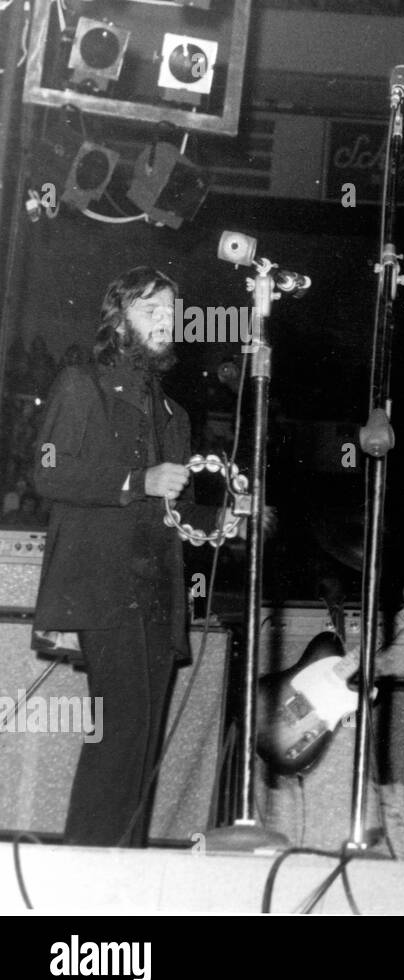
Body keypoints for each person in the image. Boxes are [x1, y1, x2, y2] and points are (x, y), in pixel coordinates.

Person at [32, 266, 207, 848]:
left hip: (157, 590)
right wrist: (138, 478)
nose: (166, 321)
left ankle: (124, 868)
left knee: (142, 736)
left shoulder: (173, 414)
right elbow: (48, 471)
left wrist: (235, 515)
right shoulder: (82, 383)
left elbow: (172, 509)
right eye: (150, 308)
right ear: (118, 317)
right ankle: (88, 866)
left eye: (171, 311)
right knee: (121, 727)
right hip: (105, 587)